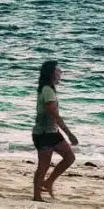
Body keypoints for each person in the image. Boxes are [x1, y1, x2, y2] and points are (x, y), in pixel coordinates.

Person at [32, 60, 78, 201]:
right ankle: (37, 196)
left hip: (52, 132)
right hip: (43, 134)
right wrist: (69, 134)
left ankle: (48, 182)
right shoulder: (47, 90)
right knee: (43, 165)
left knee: (70, 157)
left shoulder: (49, 89)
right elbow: (55, 116)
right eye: (58, 70)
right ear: (51, 73)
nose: (60, 72)